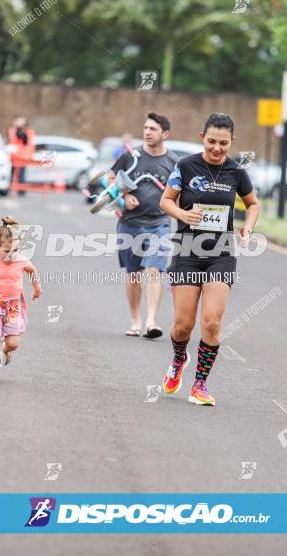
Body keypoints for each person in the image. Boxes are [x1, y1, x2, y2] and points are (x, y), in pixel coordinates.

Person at [159, 113, 259, 406]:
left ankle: (199, 385)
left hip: (222, 252)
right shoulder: (186, 165)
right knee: (182, 325)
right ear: (202, 137)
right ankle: (179, 358)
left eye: (224, 143)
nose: (217, 148)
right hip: (188, 250)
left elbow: (252, 203)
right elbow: (165, 199)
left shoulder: (236, 171)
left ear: (232, 142)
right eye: (212, 141)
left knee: (212, 323)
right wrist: (182, 214)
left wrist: (249, 226)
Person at [107, 113, 176, 339]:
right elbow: (110, 180)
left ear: (165, 134)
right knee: (134, 274)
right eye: (145, 128)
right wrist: (124, 197)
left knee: (155, 270)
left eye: (153, 129)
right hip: (130, 223)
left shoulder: (173, 163)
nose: (147, 132)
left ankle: (151, 321)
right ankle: (135, 319)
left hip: (160, 224)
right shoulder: (131, 156)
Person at [0, 216, 42, 383]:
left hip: (13, 306)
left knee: (13, 343)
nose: (11, 255)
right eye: (7, 251)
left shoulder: (21, 261)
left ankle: (6, 352)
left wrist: (37, 288)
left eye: (15, 250)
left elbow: (32, 271)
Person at [8, 116, 35, 196]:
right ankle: (11, 188)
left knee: (21, 175)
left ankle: (21, 190)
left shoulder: (28, 132)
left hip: (23, 157)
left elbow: (29, 143)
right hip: (13, 157)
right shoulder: (12, 130)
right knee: (12, 174)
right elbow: (11, 141)